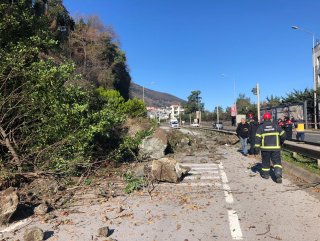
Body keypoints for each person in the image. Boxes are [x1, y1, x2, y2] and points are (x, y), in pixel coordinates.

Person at [255, 112, 286, 183]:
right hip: (275, 148)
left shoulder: (261, 127)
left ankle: (266, 175)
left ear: (263, 119)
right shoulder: (276, 126)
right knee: (277, 162)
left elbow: (257, 138)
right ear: (270, 118)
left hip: (265, 149)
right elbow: (283, 135)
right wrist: (281, 142)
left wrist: (256, 148)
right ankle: (278, 176)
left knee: (265, 162)